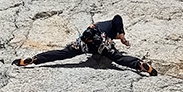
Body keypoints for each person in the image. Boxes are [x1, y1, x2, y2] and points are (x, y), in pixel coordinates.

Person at [12, 14, 158, 75]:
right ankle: (139, 65)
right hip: (101, 43)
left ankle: (35, 59)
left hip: (84, 43)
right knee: (118, 58)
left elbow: (64, 52)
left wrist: (120, 37)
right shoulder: (107, 27)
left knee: (63, 53)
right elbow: (117, 18)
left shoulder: (91, 31)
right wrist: (122, 35)